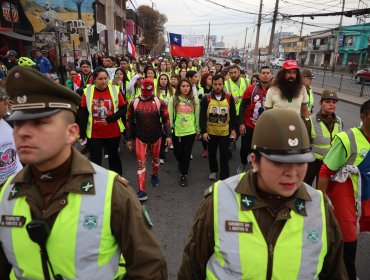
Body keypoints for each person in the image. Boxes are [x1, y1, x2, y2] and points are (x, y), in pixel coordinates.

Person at [0, 66, 168, 279]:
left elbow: (149, 268)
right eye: (17, 123)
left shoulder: (113, 193)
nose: (22, 132)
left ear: (71, 133)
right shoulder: (5, 194)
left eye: (39, 123)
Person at [178, 108, 348, 280]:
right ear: (255, 161)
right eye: (279, 162)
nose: (292, 173)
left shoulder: (320, 207)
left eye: (300, 162)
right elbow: (192, 269)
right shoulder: (219, 200)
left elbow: (334, 272)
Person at [318, 99, 370, 280]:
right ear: (363, 118)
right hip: (345, 196)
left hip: (365, 196)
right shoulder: (347, 139)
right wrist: (322, 202)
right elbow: (325, 171)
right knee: (348, 243)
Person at [126, 78, 172, 201]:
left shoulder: (160, 102)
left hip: (156, 137)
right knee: (141, 163)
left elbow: (166, 119)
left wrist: (168, 136)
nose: (146, 91)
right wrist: (129, 138)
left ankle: (155, 175)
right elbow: (129, 121)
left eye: (148, 88)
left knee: (156, 159)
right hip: (140, 137)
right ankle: (141, 190)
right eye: (144, 88)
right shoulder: (134, 102)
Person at [79, 67, 126, 175]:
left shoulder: (115, 90)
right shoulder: (87, 92)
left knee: (113, 157)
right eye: (100, 79)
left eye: (106, 78)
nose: (104, 81)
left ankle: (117, 182)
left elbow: (124, 108)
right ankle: (98, 182)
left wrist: (111, 118)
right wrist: (82, 133)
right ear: (94, 79)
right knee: (95, 160)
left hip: (113, 132)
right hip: (94, 133)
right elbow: (83, 113)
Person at [200, 74, 237, 180]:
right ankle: (213, 170)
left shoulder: (229, 98)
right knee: (211, 153)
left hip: (225, 132)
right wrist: (204, 131)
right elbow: (202, 116)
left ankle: (224, 174)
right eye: (215, 84)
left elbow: (233, 114)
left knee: (224, 154)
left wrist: (233, 130)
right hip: (211, 131)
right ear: (212, 84)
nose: (217, 86)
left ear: (223, 85)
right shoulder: (206, 98)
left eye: (220, 84)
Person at [304, 90, 343, 186]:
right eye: (327, 101)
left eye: (334, 102)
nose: (331, 104)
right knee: (305, 188)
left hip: (330, 163)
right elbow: (305, 146)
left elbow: (341, 143)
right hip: (312, 162)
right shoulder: (310, 121)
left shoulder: (339, 121)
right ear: (321, 103)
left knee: (323, 192)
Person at [238, 66, 272, 173]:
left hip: (266, 127)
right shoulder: (251, 89)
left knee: (261, 150)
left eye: (267, 73)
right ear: (260, 75)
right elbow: (242, 106)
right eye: (263, 73)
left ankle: (258, 168)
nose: (265, 75)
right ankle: (243, 163)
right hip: (250, 124)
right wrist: (242, 123)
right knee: (245, 148)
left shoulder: (275, 90)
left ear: (271, 75)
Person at [168, 78, 200, 187]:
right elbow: (170, 115)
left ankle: (184, 174)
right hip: (177, 130)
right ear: (179, 87)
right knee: (178, 153)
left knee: (186, 153)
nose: (186, 88)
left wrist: (197, 130)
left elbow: (197, 115)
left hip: (190, 131)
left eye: (187, 86)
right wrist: (170, 129)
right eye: (183, 86)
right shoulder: (173, 99)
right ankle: (181, 164)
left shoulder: (194, 99)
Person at [0, 87, 22, 184]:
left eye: (6, 100)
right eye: (2, 100)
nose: (6, 104)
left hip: (17, 184)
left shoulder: (7, 122)